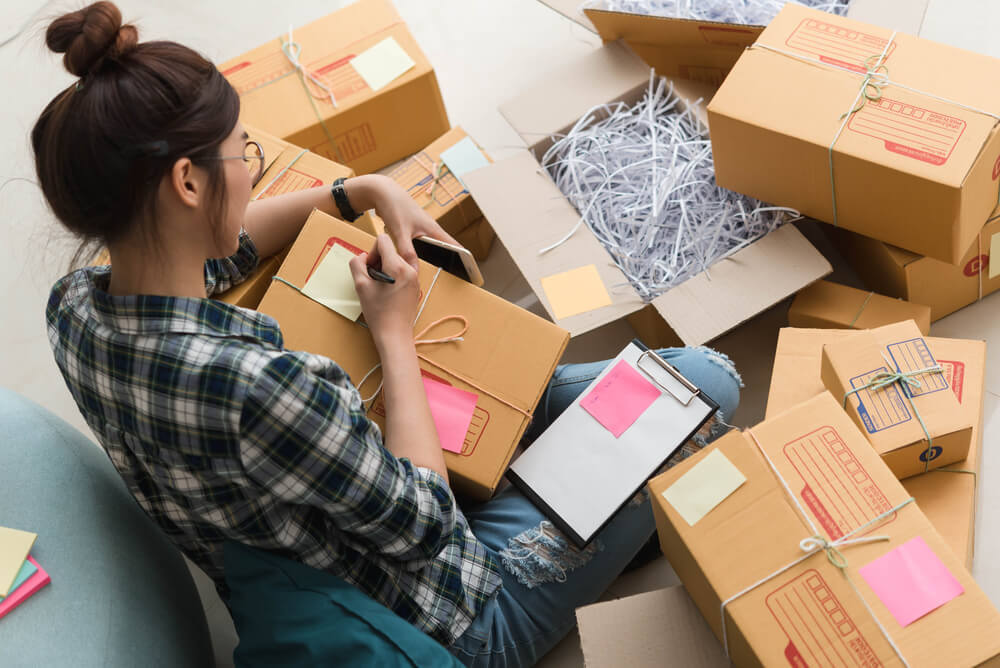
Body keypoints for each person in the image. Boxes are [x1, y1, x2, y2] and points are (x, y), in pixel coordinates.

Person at [36, 3, 741, 666]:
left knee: (540, 394)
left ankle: (583, 496)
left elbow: (224, 249)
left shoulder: (75, 310)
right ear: (188, 184)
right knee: (703, 382)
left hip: (315, 532)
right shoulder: (266, 389)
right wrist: (394, 332)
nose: (251, 173)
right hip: (451, 611)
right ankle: (599, 521)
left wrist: (364, 190)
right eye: (242, 155)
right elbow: (429, 518)